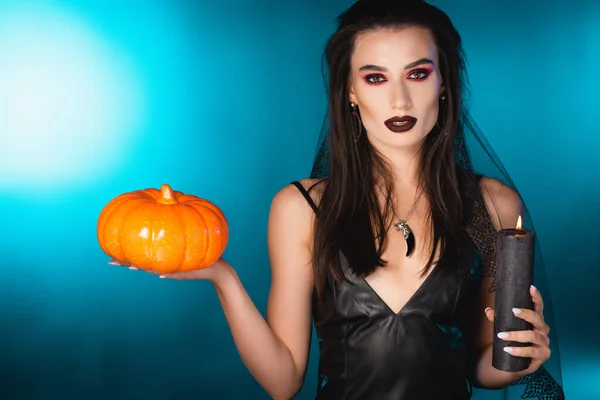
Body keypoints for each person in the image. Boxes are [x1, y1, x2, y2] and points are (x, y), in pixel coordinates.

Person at [111, 0, 564, 398]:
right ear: (349, 91)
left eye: (418, 73)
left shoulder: (495, 204)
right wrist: (223, 277)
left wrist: (522, 356)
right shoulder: (301, 209)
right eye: (375, 78)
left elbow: (482, 370)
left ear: (444, 82)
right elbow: (284, 381)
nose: (400, 99)